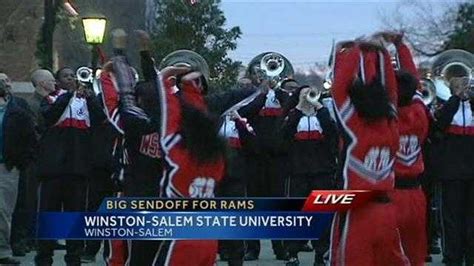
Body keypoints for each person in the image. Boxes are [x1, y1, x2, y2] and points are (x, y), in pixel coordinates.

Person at [328, 40, 409, 266]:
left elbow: (338, 88)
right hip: (387, 211)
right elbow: (391, 92)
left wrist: (352, 51)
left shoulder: (355, 127)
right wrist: (382, 52)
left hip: (356, 210)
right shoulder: (392, 125)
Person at [34, 74, 105, 265]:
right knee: (50, 216)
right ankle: (44, 258)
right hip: (53, 170)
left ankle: (74, 257)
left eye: (74, 76)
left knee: (75, 217)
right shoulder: (51, 99)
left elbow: (101, 119)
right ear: (58, 82)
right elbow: (50, 116)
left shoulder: (85, 102)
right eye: (67, 76)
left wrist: (89, 98)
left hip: (78, 170)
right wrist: (68, 96)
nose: (73, 79)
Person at [379, 32, 430, 266]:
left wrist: (375, 54)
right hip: (417, 194)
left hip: (391, 193)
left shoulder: (386, 119)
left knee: (387, 254)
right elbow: (414, 80)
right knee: (416, 252)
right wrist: (400, 46)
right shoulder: (420, 113)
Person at [238, 77, 295, 261]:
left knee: (278, 205)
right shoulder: (251, 98)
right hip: (254, 158)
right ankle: (252, 248)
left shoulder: (282, 96)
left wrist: (277, 90)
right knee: (253, 205)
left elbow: (290, 108)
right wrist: (262, 94)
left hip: (277, 159)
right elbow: (246, 113)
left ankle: (280, 248)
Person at [280, 85, 338, 266]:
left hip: (322, 172)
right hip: (298, 173)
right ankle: (292, 253)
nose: (307, 97)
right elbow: (283, 135)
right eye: (303, 94)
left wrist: (318, 107)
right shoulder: (292, 115)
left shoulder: (323, 115)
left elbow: (332, 133)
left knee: (322, 215)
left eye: (310, 94)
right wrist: (298, 107)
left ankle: (321, 255)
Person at [434, 76, 474, 266]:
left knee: (471, 220)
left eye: (466, 83)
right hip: (451, 173)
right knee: (451, 219)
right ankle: (452, 258)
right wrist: (456, 98)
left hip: (471, 172)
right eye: (459, 84)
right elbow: (439, 125)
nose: (464, 87)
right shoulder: (448, 107)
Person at [0, 73, 37, 265]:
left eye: (7, 80)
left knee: (3, 210)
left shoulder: (18, 108)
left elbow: (30, 137)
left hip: (6, 166)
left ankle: (3, 250)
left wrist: (20, 162)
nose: (5, 84)